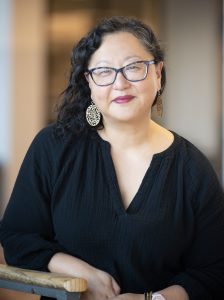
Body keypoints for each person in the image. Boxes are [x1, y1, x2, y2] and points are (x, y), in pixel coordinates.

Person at [0, 16, 224, 300]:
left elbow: (214, 272)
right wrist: (80, 274)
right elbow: (17, 239)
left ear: (157, 73)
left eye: (133, 67)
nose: (120, 83)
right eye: (104, 71)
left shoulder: (192, 169)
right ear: (89, 83)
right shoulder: (54, 147)